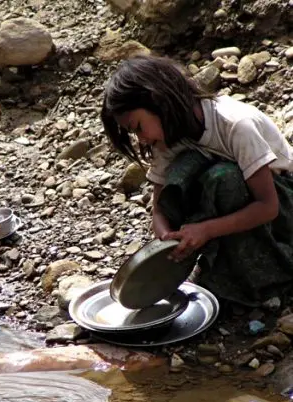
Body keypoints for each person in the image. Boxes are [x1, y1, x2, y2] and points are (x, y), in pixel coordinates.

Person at [101, 55, 293, 306]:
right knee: (182, 173)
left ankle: (268, 272)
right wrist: (166, 238)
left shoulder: (235, 125)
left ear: (158, 101)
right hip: (233, 204)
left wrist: (205, 230)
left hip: (283, 206)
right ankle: (220, 260)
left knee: (222, 179)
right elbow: (159, 208)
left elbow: (268, 207)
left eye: (138, 127)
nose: (142, 139)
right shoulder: (168, 137)